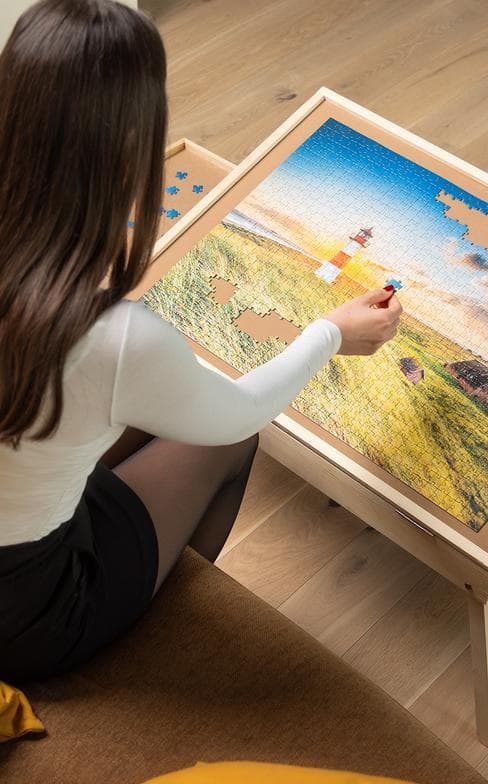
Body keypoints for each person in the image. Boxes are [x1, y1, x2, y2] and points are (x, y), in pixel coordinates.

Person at [0, 0, 401, 682]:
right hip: (27, 612)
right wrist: (330, 332)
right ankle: (158, 636)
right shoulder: (113, 338)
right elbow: (240, 415)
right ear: (133, 149)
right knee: (227, 441)